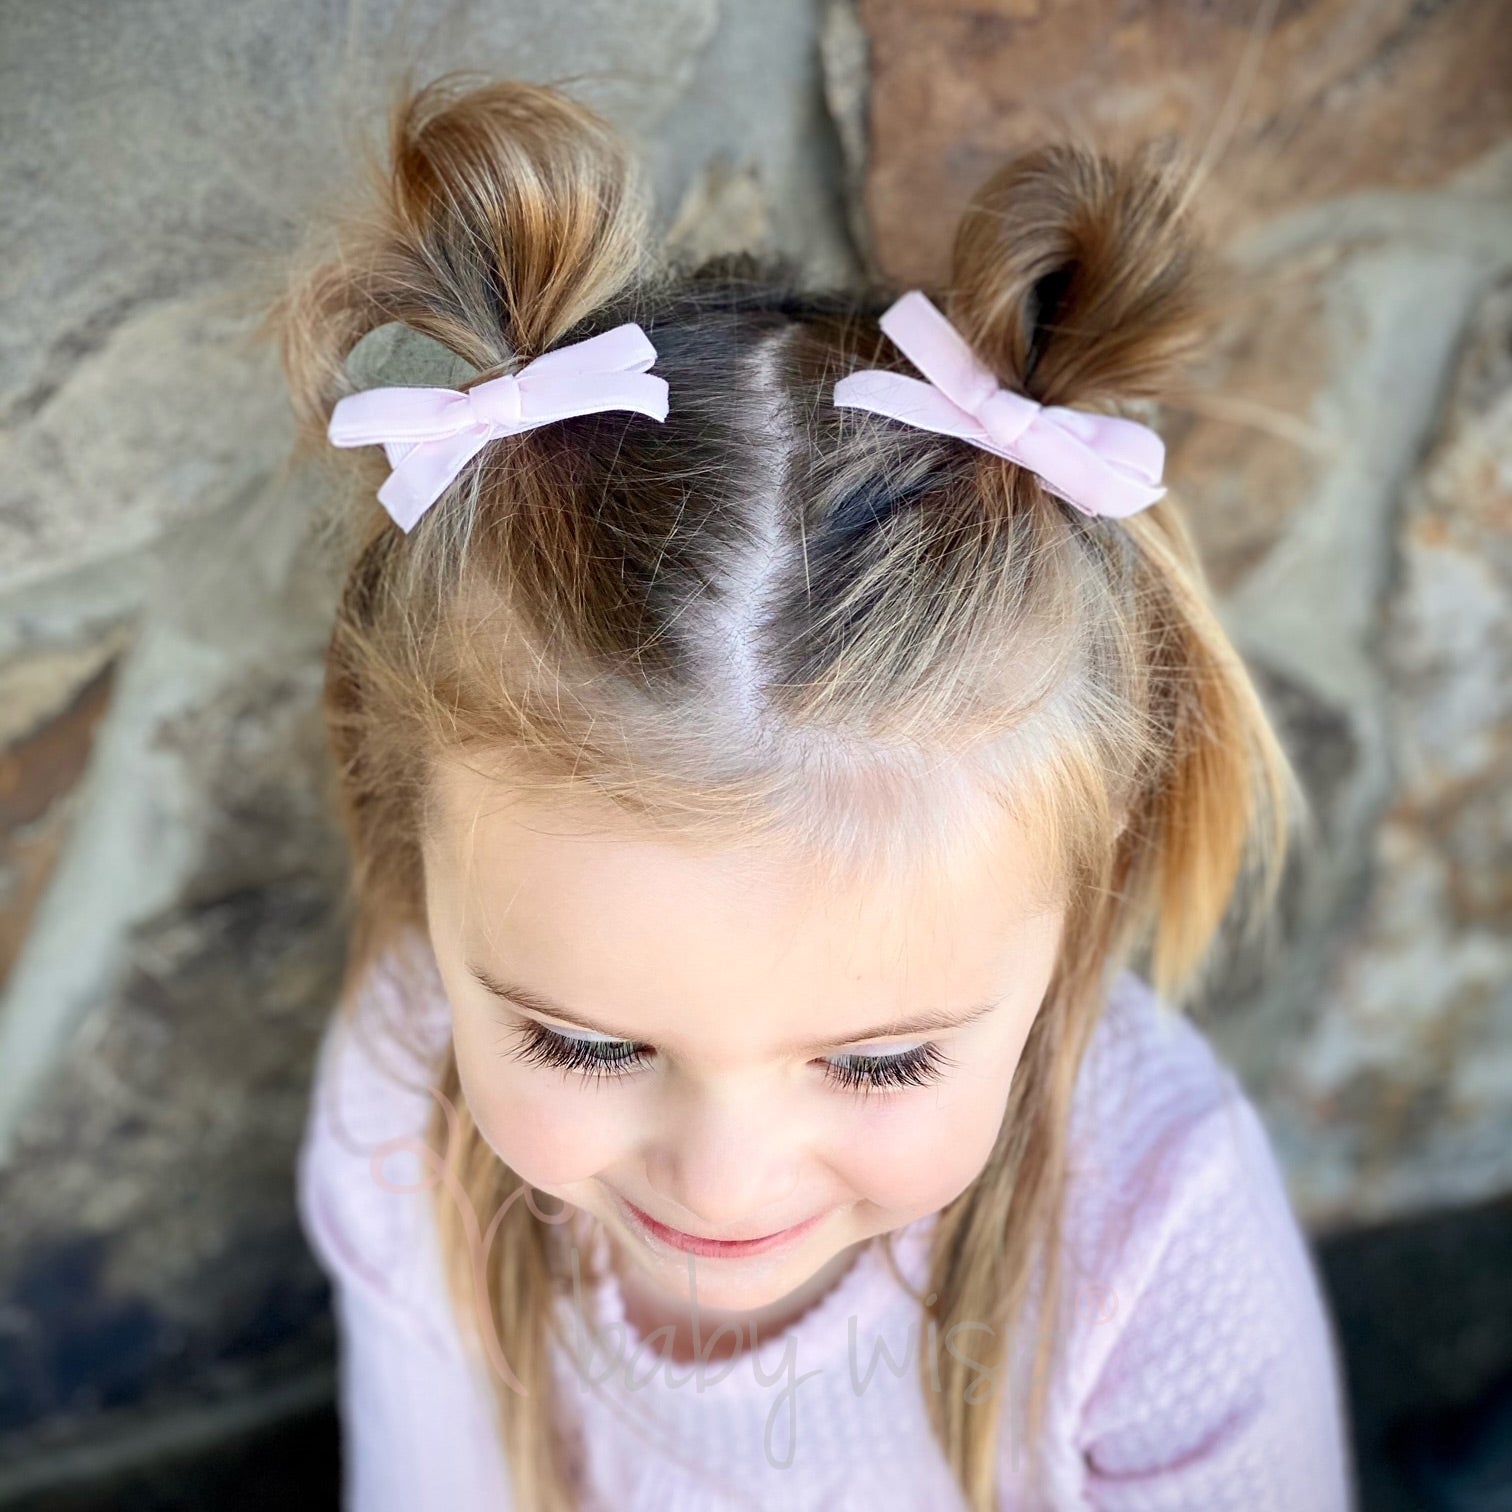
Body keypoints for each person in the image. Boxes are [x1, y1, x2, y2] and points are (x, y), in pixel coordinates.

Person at [272, 69, 1355, 1512]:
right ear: (417, 845)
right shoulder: (408, 1091)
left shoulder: (1160, 1243)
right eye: (584, 1049)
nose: (722, 1188)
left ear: (1073, 906)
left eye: (880, 1062)